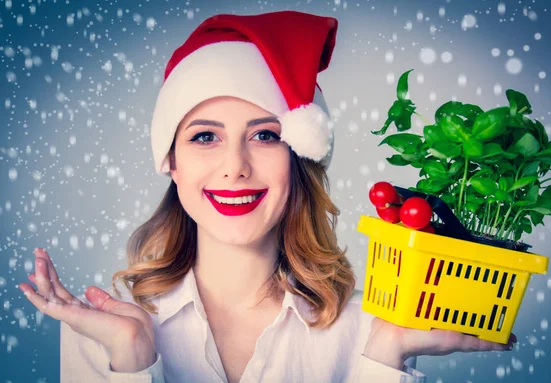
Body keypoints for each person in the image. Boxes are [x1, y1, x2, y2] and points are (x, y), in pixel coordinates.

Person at [18, 10, 516, 383]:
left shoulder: (368, 329)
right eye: (204, 137)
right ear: (171, 160)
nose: (235, 166)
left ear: (298, 157)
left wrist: (383, 356)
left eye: (265, 135)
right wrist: (131, 364)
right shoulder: (104, 331)